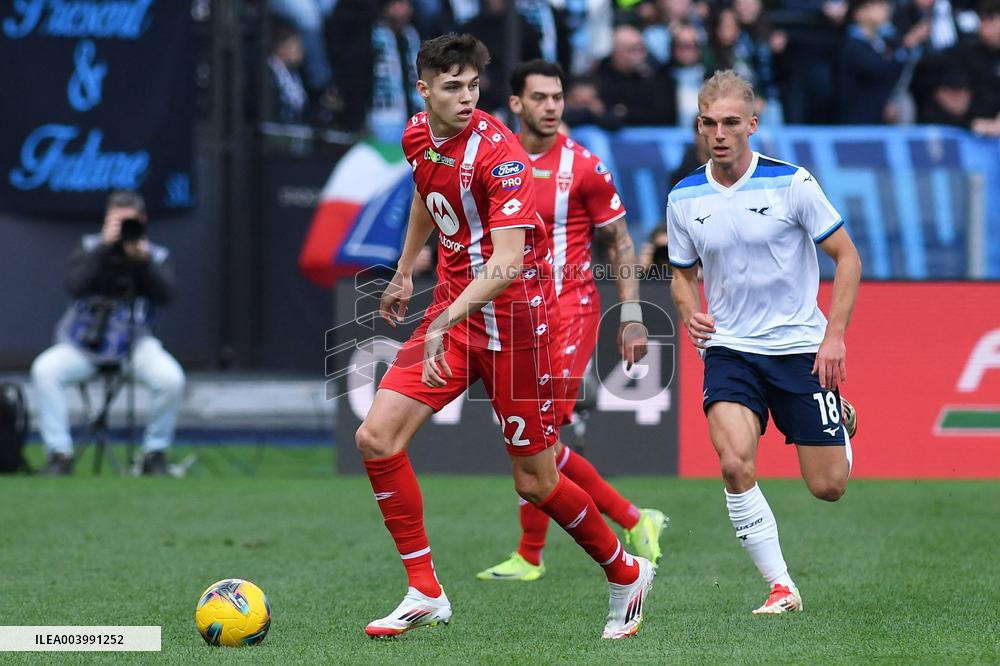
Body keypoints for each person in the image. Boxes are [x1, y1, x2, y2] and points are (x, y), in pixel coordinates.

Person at [356, 34, 655, 640]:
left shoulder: (502, 155)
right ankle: (424, 591)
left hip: (518, 325)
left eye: (473, 87)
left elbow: (510, 262)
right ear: (423, 90)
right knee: (376, 438)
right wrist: (405, 269)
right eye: (452, 88)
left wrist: (439, 320)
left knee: (535, 481)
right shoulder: (418, 135)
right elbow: (425, 194)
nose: (467, 99)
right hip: (455, 312)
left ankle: (626, 571)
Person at [667, 70, 862, 614]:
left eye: (732, 122)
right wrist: (688, 312)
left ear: (753, 124)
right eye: (710, 123)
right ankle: (781, 586)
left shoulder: (792, 183)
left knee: (829, 488)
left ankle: (838, 418)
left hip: (799, 346)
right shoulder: (684, 197)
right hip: (730, 350)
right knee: (734, 464)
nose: (721, 133)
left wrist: (835, 337)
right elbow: (681, 272)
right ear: (699, 126)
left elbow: (848, 257)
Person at [475, 59, 667, 583]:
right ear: (516, 104)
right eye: (539, 97)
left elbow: (621, 241)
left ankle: (532, 554)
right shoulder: (495, 159)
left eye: (557, 96)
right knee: (533, 440)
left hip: (570, 311)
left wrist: (630, 314)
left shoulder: (584, 166)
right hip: (514, 313)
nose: (552, 106)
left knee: (541, 436)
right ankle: (632, 518)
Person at [31, 191, 185, 476]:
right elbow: (75, 285)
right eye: (117, 222)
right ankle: (59, 455)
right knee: (45, 370)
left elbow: (166, 295)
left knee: (171, 378)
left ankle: (154, 454)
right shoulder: (89, 246)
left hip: (136, 344)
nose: (123, 230)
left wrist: (143, 261)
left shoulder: (155, 254)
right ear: (106, 221)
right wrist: (103, 248)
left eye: (129, 223)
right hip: (86, 342)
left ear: (143, 221)